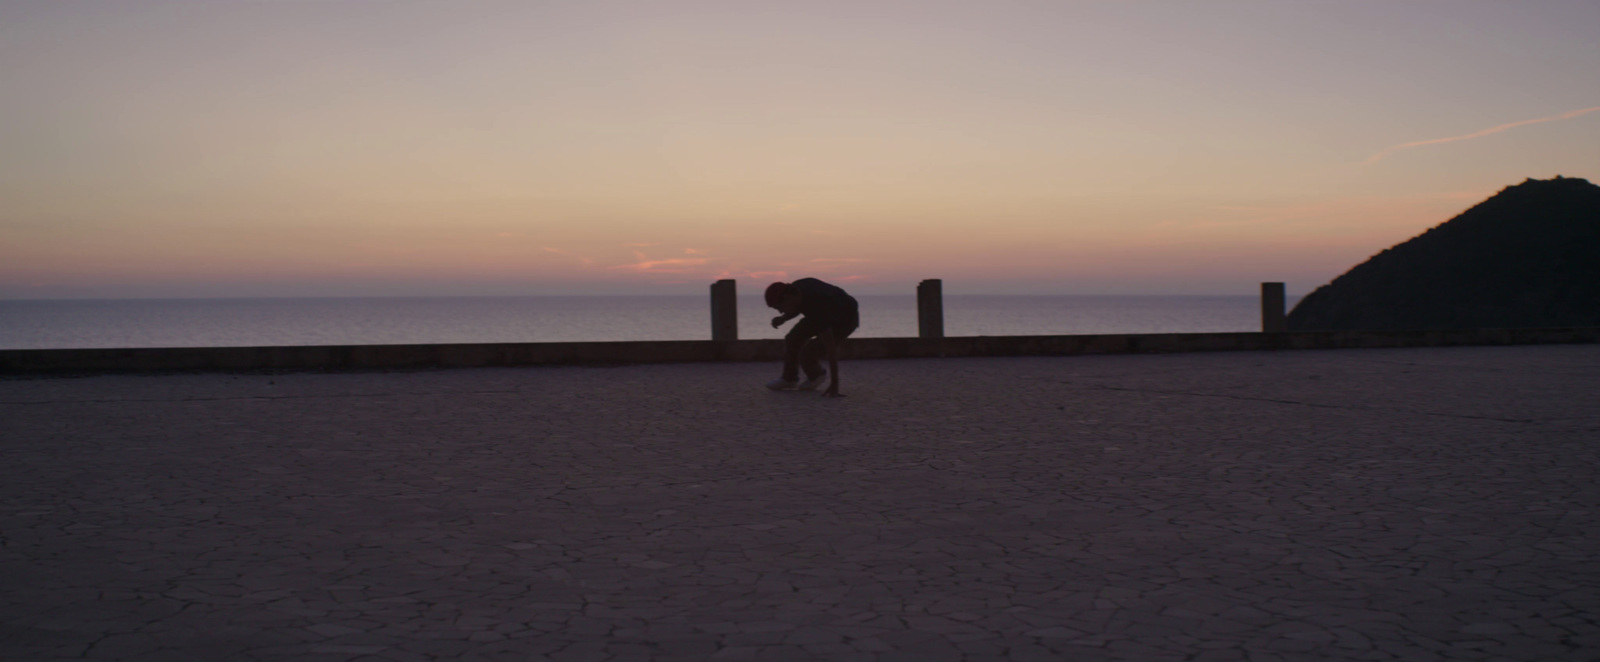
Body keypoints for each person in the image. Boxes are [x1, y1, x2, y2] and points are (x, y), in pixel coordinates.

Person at [764, 278, 859, 397]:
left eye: (779, 308)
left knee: (809, 352)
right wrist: (784, 319)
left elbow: (831, 349)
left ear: (786, 299)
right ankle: (789, 379)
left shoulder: (820, 306)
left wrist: (835, 384)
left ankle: (816, 375)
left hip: (845, 319)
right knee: (792, 338)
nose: (779, 311)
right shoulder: (796, 289)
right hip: (818, 313)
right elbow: (797, 305)